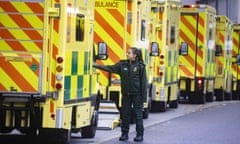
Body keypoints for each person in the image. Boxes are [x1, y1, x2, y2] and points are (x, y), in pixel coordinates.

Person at [94, 47, 147, 142]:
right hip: (126, 94)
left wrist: (144, 99)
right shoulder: (122, 65)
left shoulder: (140, 67)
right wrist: (96, 66)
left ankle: (139, 135)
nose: (127, 54)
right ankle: (124, 134)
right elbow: (110, 68)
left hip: (137, 95)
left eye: (129, 53)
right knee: (125, 114)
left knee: (138, 115)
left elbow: (144, 83)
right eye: (127, 53)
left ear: (135, 55)